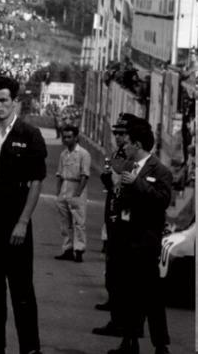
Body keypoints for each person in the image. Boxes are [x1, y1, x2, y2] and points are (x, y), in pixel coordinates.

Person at [0, 75, 47, 354]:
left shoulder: (30, 135)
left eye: (4, 100)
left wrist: (23, 222)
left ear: (16, 101)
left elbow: (36, 181)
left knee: (21, 292)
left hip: (15, 225)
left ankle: (30, 348)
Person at [104, 119, 173, 354]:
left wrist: (138, 183)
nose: (125, 148)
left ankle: (160, 345)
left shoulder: (159, 170)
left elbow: (162, 200)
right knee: (129, 295)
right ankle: (129, 341)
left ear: (138, 144)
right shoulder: (129, 166)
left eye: (129, 145)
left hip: (146, 241)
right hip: (126, 238)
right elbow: (121, 198)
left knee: (151, 296)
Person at [93, 114, 136, 333]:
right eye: (116, 134)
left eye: (122, 134)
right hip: (113, 211)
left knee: (119, 268)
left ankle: (119, 320)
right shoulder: (117, 152)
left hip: (123, 216)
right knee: (111, 264)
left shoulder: (131, 155)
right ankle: (113, 306)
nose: (118, 138)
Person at [53, 125, 90, 262]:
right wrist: (58, 193)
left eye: (69, 137)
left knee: (79, 221)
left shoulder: (83, 154)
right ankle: (67, 249)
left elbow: (85, 175)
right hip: (64, 186)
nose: (66, 140)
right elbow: (59, 174)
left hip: (76, 186)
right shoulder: (63, 154)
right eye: (64, 137)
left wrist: (78, 193)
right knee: (65, 222)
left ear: (76, 137)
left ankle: (79, 250)